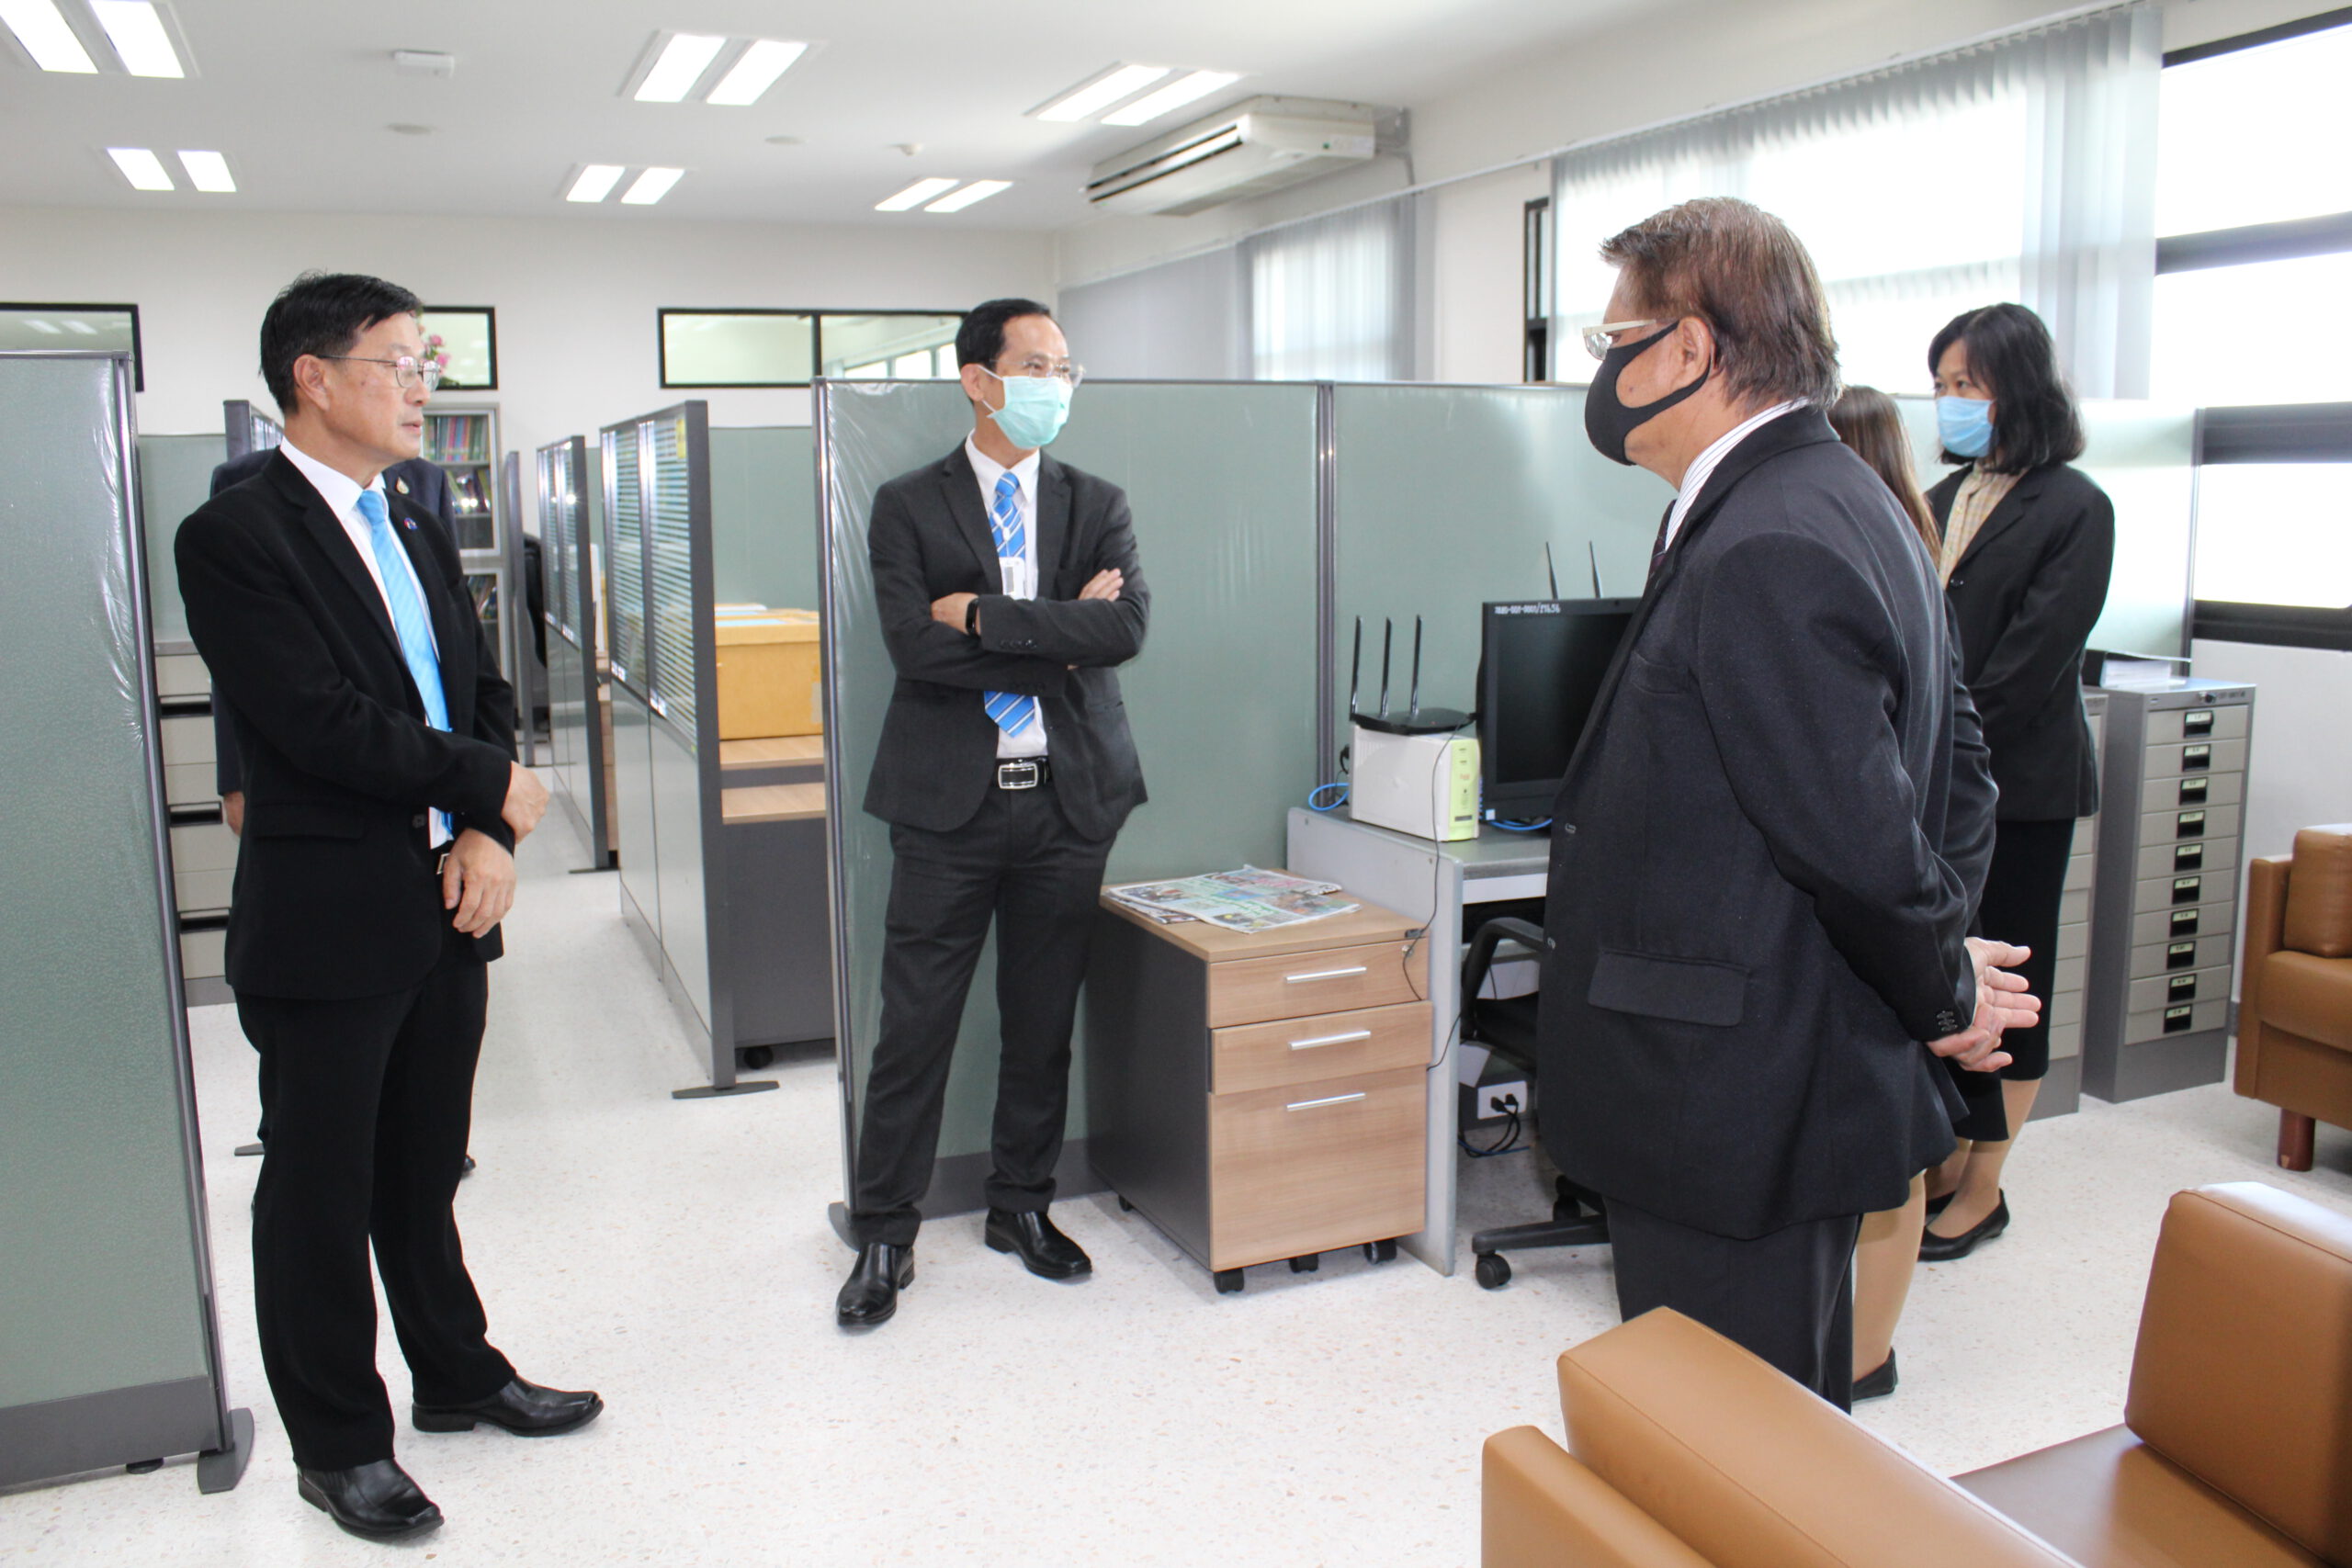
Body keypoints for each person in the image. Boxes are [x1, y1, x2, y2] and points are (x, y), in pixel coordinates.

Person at [1536, 199, 2037, 1409]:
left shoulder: (1765, 534)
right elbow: (1957, 769)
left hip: (1727, 1094)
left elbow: (1855, 839)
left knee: (1721, 1442)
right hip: (1785, 1059)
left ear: (1691, 348)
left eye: (1613, 342)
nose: (1601, 374)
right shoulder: (1843, 497)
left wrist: (1940, 987)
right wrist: (1933, 964)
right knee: (1779, 1430)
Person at [175, 273, 598, 1542]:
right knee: (318, 1188)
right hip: (328, 912)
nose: (423, 388)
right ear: (313, 376)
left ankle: (456, 1372)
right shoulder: (235, 535)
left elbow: (478, 689)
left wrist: (483, 828)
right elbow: (317, 722)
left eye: (427, 365)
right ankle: (340, 1443)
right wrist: (490, 785)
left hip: (448, 896)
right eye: (400, 363)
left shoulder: (415, 514)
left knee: (423, 1166)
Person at [835, 299, 1150, 1329]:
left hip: (1069, 804)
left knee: (1041, 1022)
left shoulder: (1096, 501)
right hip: (947, 812)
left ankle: (1021, 1207)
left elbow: (1124, 630)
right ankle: (885, 1232)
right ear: (979, 380)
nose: (1057, 384)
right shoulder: (906, 505)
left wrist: (980, 614)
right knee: (913, 1030)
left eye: (1065, 368)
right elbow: (912, 648)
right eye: (1037, 365)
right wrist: (1059, 638)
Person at [1918, 304, 2114, 1262]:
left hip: (2021, 788)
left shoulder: (2075, 506)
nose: (1950, 401)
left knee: (2014, 985)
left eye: (1967, 384)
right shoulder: (1938, 494)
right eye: (1941, 385)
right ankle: (1949, 1154)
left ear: (2018, 388)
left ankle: (1984, 1187)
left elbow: (2032, 663)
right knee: (1949, 977)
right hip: (1936, 784)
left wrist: (1939, 751)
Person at [1824, 383, 1950, 1400]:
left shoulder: (1888, 576)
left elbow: (1966, 769)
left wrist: (1944, 927)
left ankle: (1866, 1358)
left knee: (1890, 1143)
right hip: (1896, 905)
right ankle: (1853, 1347)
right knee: (1872, 1143)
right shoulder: (1902, 558)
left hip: (1900, 907)